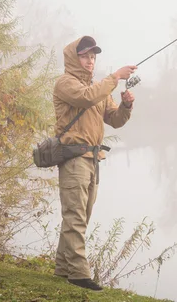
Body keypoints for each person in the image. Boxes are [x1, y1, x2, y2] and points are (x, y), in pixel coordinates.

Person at [51, 35, 137, 290]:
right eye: (85, 56)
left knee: (81, 215)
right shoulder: (65, 83)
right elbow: (86, 97)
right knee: (75, 215)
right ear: (73, 58)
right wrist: (116, 77)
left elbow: (114, 119)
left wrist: (126, 106)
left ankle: (62, 268)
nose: (90, 61)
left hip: (93, 159)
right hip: (74, 158)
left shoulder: (99, 89)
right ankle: (78, 274)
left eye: (93, 56)